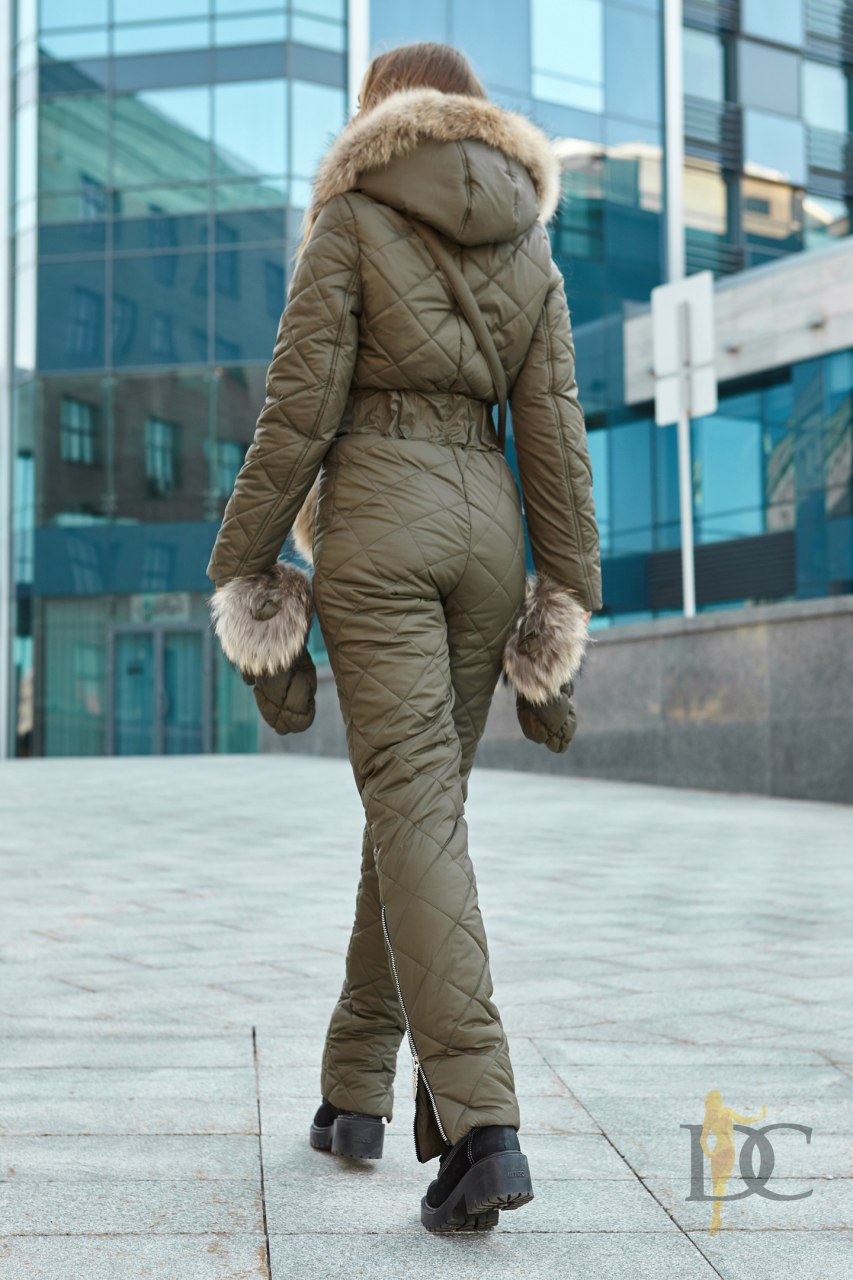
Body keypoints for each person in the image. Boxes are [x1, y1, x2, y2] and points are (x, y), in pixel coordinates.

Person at [207, 41, 603, 1234]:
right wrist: (563, 590)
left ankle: (483, 1129)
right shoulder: (525, 240)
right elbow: (556, 434)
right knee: (414, 812)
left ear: (382, 116)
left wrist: (245, 563)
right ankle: (352, 1092)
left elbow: (298, 408)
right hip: (488, 547)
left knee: (413, 808)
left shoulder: (352, 212)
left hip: (376, 529)